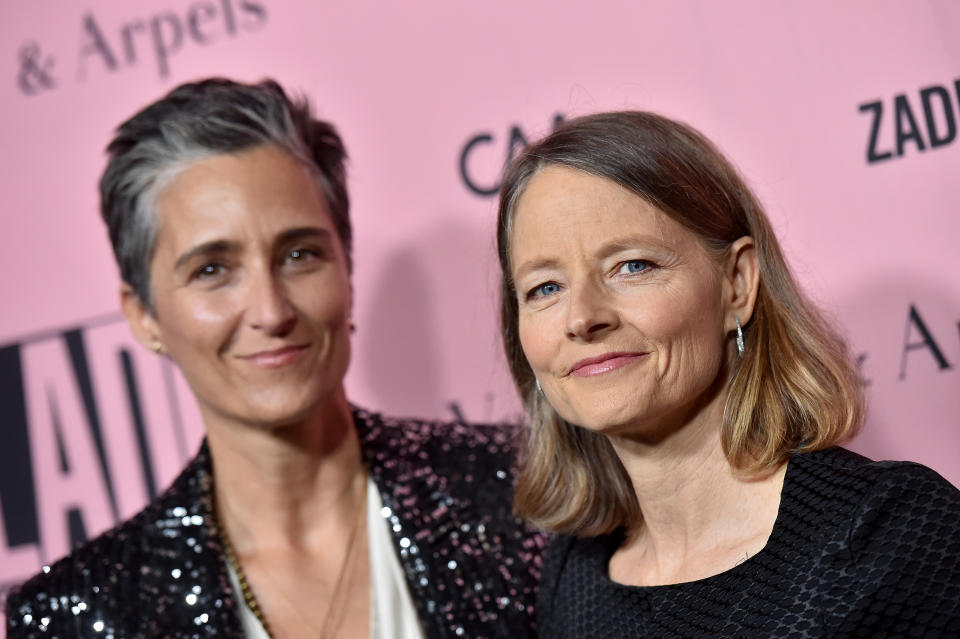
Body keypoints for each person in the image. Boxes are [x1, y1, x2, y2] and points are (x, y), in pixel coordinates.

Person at [5, 78, 544, 638]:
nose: (271, 310)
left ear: (347, 270)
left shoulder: (527, 493)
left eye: (300, 254)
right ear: (143, 314)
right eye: (212, 269)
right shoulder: (81, 614)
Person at [494, 111, 960, 637]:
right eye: (545, 288)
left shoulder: (887, 535)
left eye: (633, 266)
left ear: (736, 284)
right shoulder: (572, 573)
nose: (582, 318)